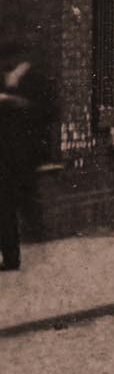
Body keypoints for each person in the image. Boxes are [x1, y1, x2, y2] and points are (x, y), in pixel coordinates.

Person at [0, 45, 51, 272]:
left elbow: (46, 110)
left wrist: (11, 101)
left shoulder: (34, 79)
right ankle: (14, 253)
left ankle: (13, 256)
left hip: (14, 155)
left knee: (7, 206)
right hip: (13, 154)